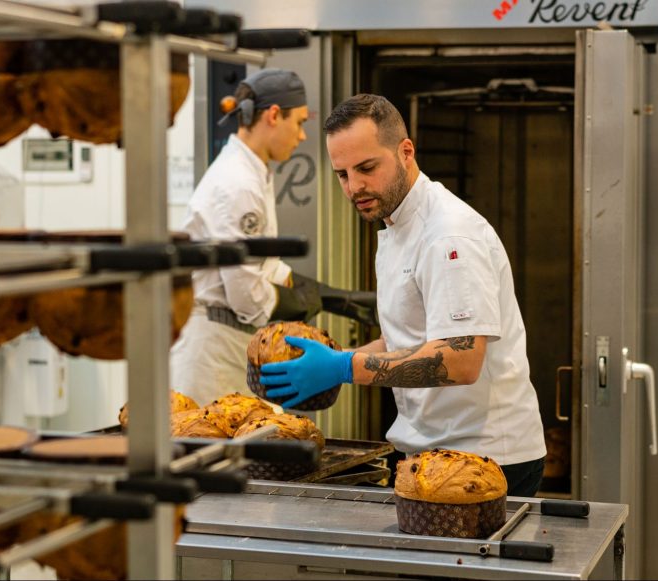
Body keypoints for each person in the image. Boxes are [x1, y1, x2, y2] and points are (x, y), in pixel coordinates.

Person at [259, 94, 547, 497]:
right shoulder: (397, 225)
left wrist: (346, 367)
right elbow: (411, 341)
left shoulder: (449, 235)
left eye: (367, 168)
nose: (354, 186)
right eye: (342, 174)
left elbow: (461, 359)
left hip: (485, 461)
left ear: (406, 151)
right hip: (425, 453)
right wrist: (333, 361)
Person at [170, 69, 322, 405]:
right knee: (216, 448)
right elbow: (246, 296)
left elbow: (261, 264)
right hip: (213, 351)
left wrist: (332, 295)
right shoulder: (236, 182)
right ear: (272, 115)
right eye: (298, 123)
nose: (302, 136)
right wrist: (298, 304)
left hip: (231, 341)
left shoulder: (252, 172)